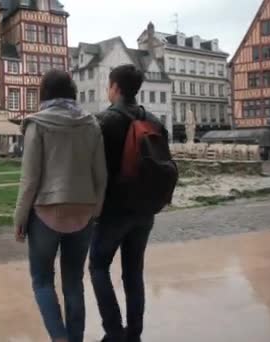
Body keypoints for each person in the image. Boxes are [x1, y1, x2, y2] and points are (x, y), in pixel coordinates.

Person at [14, 69, 107, 342]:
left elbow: (29, 179)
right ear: (73, 93)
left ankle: (59, 338)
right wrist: (96, 211)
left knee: (42, 280)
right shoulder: (91, 124)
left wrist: (19, 218)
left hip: (45, 212)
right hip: (83, 212)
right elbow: (101, 175)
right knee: (73, 283)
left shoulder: (37, 124)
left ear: (44, 93)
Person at [91, 65, 174, 342]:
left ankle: (114, 333)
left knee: (98, 266)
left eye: (108, 86)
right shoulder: (153, 121)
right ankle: (134, 334)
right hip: (145, 208)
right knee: (133, 272)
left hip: (115, 210)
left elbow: (93, 169)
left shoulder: (103, 121)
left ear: (114, 87)